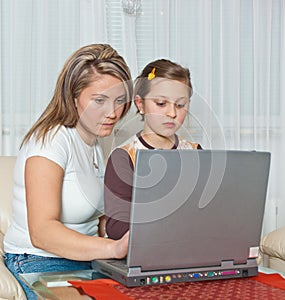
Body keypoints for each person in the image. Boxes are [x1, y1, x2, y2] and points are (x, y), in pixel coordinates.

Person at [4, 43, 133, 299]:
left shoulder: (96, 140)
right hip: (39, 260)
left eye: (119, 100)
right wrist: (113, 248)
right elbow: (42, 233)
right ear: (73, 97)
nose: (113, 112)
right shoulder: (50, 141)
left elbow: (98, 219)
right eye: (99, 100)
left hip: (88, 260)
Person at [104, 58, 202, 240]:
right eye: (161, 103)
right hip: (148, 251)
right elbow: (117, 227)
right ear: (140, 104)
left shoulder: (195, 152)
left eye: (180, 105)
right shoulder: (124, 157)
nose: (172, 113)